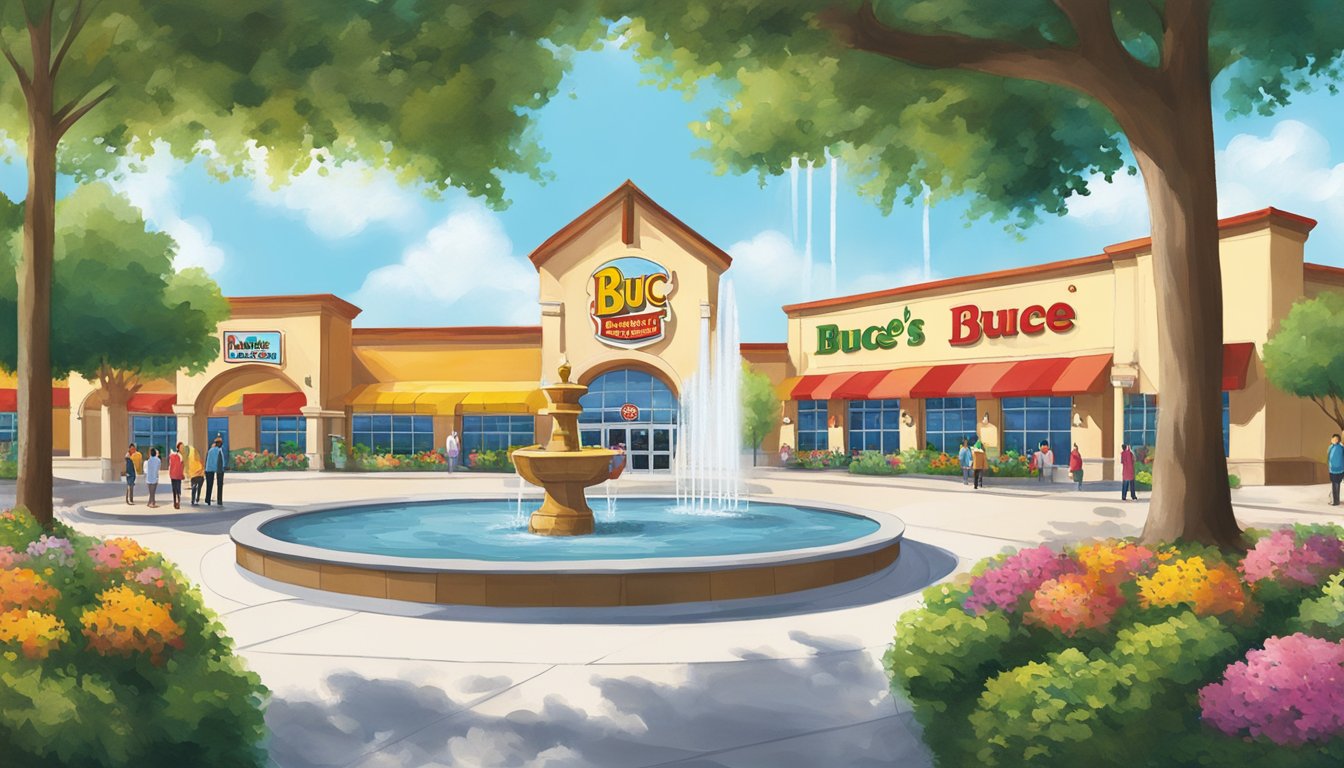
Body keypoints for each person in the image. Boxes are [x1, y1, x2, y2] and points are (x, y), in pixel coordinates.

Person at [205, 436, 226, 506]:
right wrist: (223, 468)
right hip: (219, 469)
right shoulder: (219, 451)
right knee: (220, 485)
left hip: (209, 469)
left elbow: (207, 461)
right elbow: (221, 461)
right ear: (219, 443)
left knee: (209, 485)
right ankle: (219, 500)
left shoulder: (210, 450)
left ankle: (207, 500)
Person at [1328, 433, 1344, 507]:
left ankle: (1336, 501)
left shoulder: (1341, 447)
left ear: (1339, 440)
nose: (1335, 440)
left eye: (1336, 439)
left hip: (1340, 469)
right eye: (1334, 439)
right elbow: (1328, 458)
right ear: (1331, 440)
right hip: (1332, 470)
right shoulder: (1330, 447)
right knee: (1335, 485)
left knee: (1337, 484)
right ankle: (1336, 500)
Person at [169, 442, 185, 510]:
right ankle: (177, 502)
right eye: (181, 447)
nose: (182, 448)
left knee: (175, 489)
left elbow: (170, 465)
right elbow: (181, 466)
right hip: (177, 475)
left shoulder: (172, 455)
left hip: (173, 475)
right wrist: (182, 474)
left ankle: (175, 502)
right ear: (178, 448)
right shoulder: (180, 456)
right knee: (178, 489)